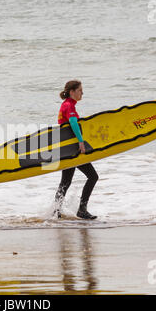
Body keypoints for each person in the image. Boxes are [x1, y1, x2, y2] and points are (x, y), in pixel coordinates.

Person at [54, 80, 98, 220]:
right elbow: (73, 122)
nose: (82, 93)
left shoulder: (66, 104)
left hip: (67, 148)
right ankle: (82, 209)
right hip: (74, 148)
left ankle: (56, 211)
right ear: (72, 92)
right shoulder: (69, 106)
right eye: (79, 90)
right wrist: (81, 141)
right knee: (93, 176)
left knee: (66, 181)